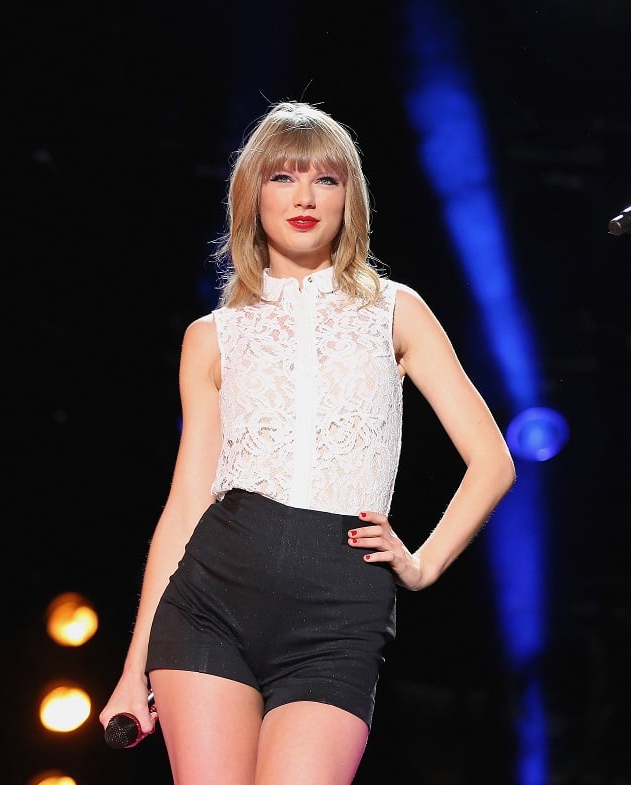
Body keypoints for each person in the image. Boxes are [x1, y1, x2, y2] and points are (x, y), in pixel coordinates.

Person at [98, 100, 516, 785]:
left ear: (349, 197)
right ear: (251, 193)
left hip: (338, 614)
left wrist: (423, 563)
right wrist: (131, 668)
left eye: (326, 179)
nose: (304, 196)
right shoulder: (212, 336)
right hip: (210, 602)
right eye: (282, 177)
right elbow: (184, 505)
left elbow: (492, 461)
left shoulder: (394, 309)